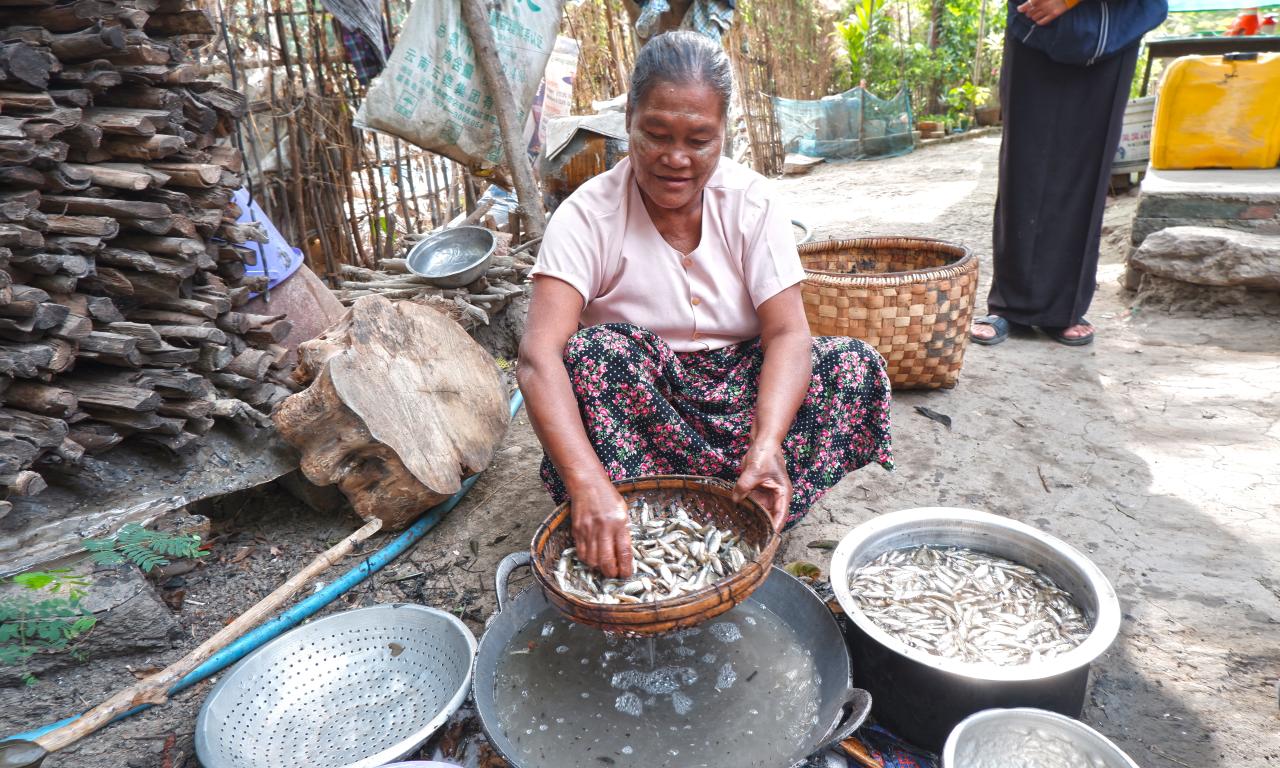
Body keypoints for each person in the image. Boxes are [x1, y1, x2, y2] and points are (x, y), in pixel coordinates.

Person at [517, 31, 893, 580]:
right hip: (644, 402)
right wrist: (586, 482)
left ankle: (749, 502)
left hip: (742, 389)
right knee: (596, 355)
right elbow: (536, 358)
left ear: (723, 137)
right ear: (628, 123)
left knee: (853, 367)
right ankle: (631, 511)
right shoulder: (587, 215)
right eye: (656, 134)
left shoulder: (751, 202)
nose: (676, 158)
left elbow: (788, 335)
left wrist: (767, 443)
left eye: (699, 140)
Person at [970, 0, 1142, 347]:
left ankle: (1063, 309)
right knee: (1024, 160)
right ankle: (1009, 304)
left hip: (1109, 22)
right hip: (1033, 19)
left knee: (1085, 164)